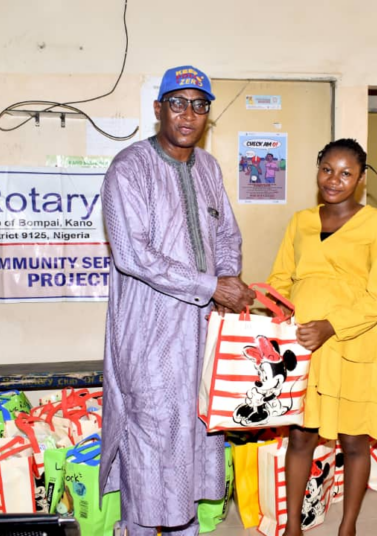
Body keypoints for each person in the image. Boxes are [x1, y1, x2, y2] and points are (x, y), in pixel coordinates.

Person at [99, 64, 256, 536]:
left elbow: (226, 233)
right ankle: (140, 529)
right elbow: (132, 255)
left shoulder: (208, 167)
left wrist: (228, 277)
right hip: (149, 335)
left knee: (194, 432)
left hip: (203, 333)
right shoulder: (129, 168)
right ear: (158, 109)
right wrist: (211, 286)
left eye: (200, 105)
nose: (189, 114)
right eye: (178, 103)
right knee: (151, 435)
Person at [267, 139, 377, 536]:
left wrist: (332, 325)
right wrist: (281, 316)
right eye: (327, 169)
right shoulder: (301, 221)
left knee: (355, 441)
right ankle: (292, 526)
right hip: (305, 346)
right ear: (317, 169)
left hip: (354, 344)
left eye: (346, 173)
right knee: (301, 437)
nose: (334, 180)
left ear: (360, 179)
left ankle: (348, 528)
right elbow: (280, 279)